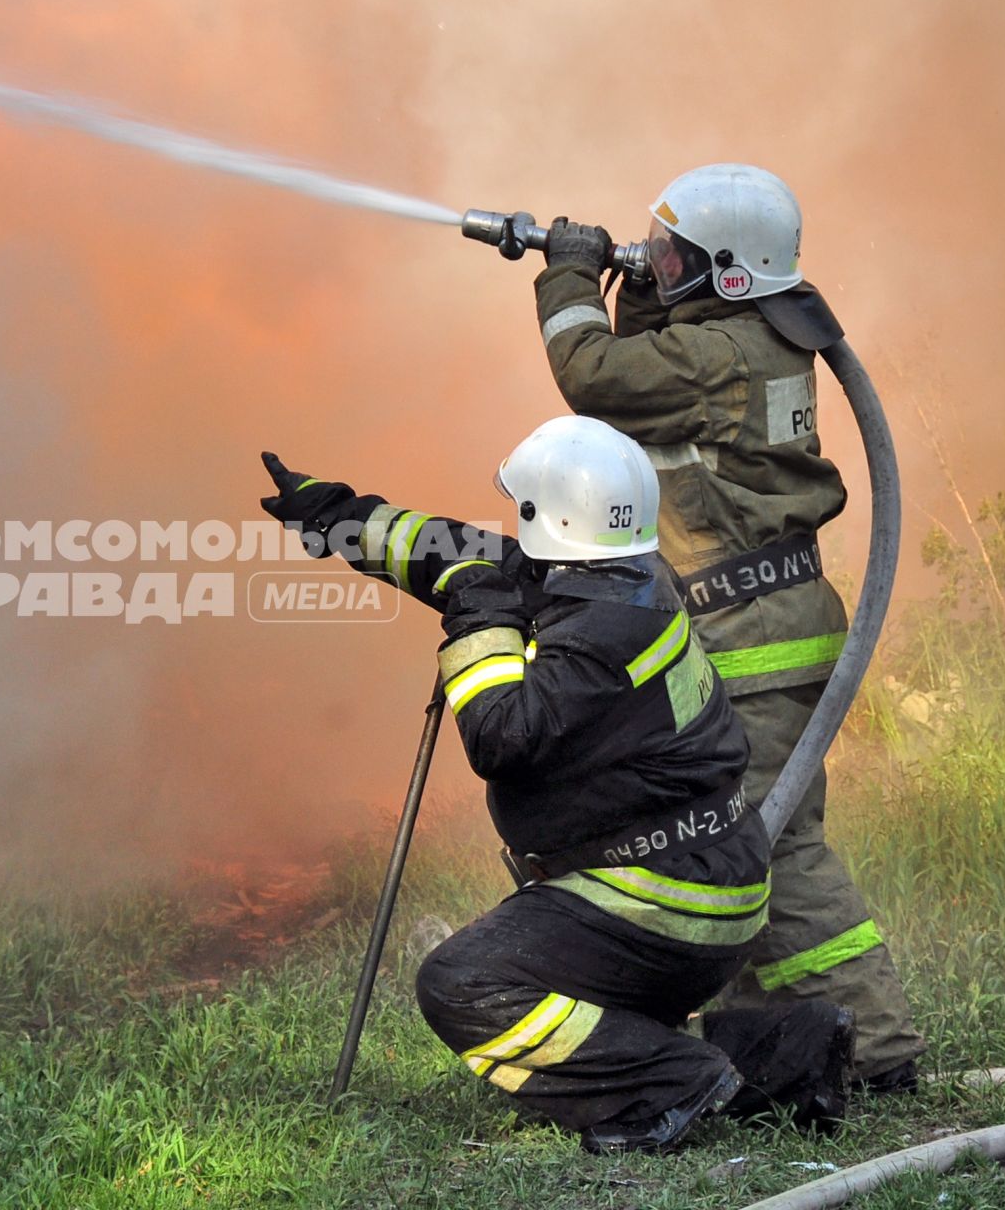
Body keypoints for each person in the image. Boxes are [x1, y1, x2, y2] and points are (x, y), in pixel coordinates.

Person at [260, 416, 851, 1153]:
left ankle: (671, 1083)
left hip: (664, 898)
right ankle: (784, 1052)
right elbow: (461, 555)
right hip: (696, 879)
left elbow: (502, 736)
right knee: (585, 1003)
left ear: (552, 517)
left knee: (463, 984)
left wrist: (478, 616)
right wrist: (340, 517)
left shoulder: (600, 640)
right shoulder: (621, 581)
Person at [532, 164, 924, 1090]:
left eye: (673, 256)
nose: (657, 264)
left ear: (731, 271)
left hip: (753, 634)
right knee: (738, 837)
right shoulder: (745, 340)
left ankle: (875, 1047)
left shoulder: (723, 354)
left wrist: (568, 274)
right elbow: (649, 394)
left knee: (764, 841)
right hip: (756, 621)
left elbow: (594, 377)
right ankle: (782, 1037)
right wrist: (632, 292)